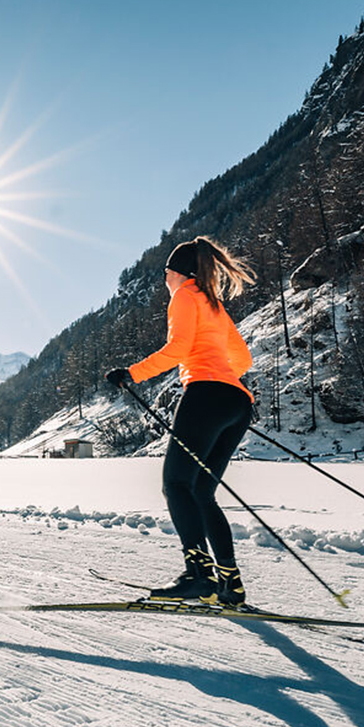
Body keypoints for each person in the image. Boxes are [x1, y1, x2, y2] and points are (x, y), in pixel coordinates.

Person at [107, 236, 256, 607]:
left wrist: (132, 374)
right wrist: (221, 377)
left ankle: (198, 577)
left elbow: (177, 350)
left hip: (205, 395)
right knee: (202, 493)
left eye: (165, 273)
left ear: (177, 273)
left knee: (176, 485)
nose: (164, 280)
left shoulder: (185, 296)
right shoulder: (214, 304)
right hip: (237, 402)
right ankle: (230, 586)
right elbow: (243, 360)